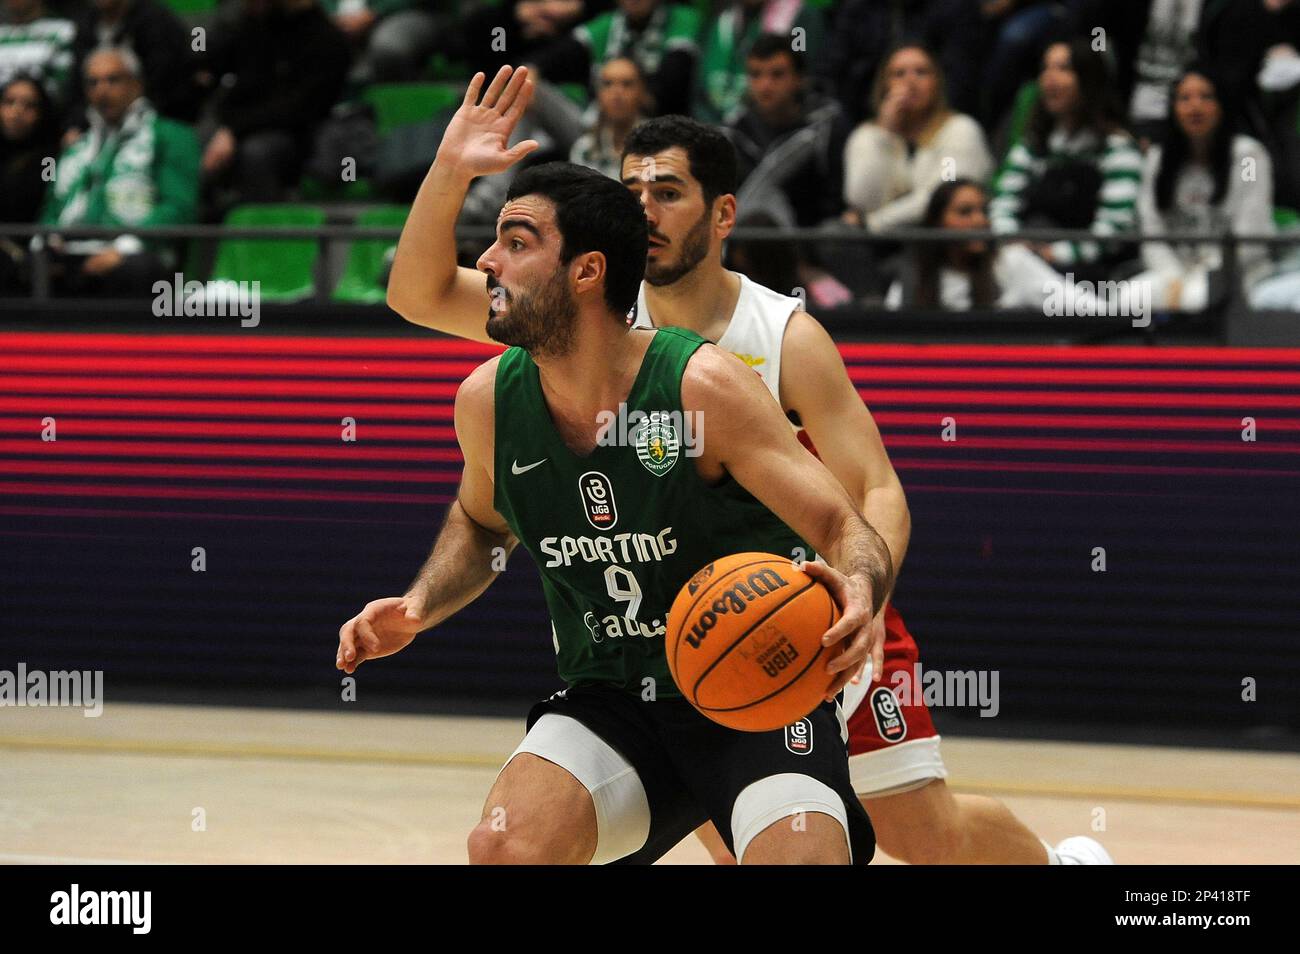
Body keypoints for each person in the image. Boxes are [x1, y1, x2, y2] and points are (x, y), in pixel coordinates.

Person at [392, 87, 1114, 864]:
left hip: (807, 602)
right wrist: (450, 168)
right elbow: (421, 292)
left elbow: (874, 493)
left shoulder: (782, 337)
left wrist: (862, 598)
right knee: (727, 817)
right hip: (679, 631)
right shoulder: (583, 320)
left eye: (666, 193)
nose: (644, 211)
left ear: (723, 214)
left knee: (921, 833)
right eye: (630, 192)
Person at [351, 65, 895, 865]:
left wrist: (858, 587)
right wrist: (420, 603)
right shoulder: (490, 400)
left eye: (515, 242)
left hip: (751, 686)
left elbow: (846, 523)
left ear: (587, 271)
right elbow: (480, 521)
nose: (490, 263)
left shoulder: (706, 382)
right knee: (504, 848)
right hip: (613, 693)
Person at [36, 46, 199, 296]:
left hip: (135, 252)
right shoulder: (76, 146)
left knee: (137, 268)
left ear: (137, 85)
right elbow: (51, 210)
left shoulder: (173, 136)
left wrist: (125, 247)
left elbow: (178, 208)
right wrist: (48, 241)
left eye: (113, 80)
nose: (102, 90)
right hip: (70, 252)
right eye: (93, 82)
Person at [989, 37, 1142, 279]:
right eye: (1046, 68)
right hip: (1024, 258)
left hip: (1090, 272)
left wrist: (1057, 253)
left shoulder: (1117, 149)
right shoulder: (1033, 145)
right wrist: (1013, 241)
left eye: (1064, 69)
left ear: (1089, 79)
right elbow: (1002, 201)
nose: (1050, 78)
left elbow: (1115, 230)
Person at [1135, 65, 1276, 311]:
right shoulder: (1158, 159)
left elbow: (1251, 238)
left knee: (1196, 298)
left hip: (1236, 274)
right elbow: (1151, 232)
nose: (1195, 107)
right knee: (1127, 301)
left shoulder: (1249, 158)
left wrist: (1203, 275)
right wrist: (1173, 277)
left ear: (1222, 104)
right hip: (1175, 272)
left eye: (1206, 97)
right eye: (1184, 98)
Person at [885, 177, 1118, 315]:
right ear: (936, 223)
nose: (980, 221)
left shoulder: (1012, 262)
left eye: (984, 211)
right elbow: (886, 337)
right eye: (965, 212)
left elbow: (1090, 310)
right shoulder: (915, 274)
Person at [841, 43, 993, 233]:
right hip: (879, 245)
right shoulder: (868, 136)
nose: (910, 81)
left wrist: (872, 223)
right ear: (884, 85)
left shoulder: (958, 132)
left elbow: (944, 197)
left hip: (940, 240)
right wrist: (883, 133)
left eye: (921, 72)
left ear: (937, 82)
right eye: (899, 74)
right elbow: (863, 200)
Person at [0, 74, 60, 291]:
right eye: (9, 102)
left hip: (23, 251)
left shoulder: (49, 160)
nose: (17, 111)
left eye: (29, 106)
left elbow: (47, 196)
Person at [569, 56, 648, 178]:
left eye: (627, 84)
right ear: (598, 92)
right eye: (607, 84)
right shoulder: (584, 150)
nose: (617, 93)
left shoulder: (657, 148)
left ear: (642, 91)